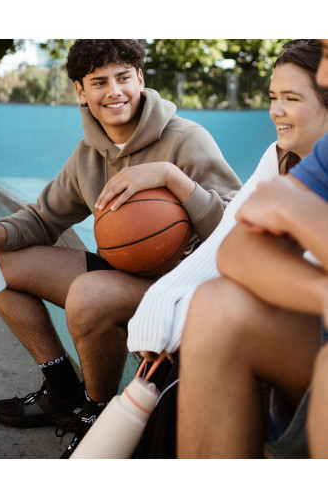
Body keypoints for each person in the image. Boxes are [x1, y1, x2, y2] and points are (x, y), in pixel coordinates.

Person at [0, 39, 241, 457]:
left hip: (183, 286)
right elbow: (44, 218)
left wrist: (174, 179)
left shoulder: (187, 140)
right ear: (81, 91)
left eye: (123, 78)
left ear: (141, 79)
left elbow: (235, 232)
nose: (114, 91)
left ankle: (94, 414)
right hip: (126, 273)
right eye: (99, 82)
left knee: (89, 292)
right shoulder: (88, 154)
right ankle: (62, 390)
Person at [127, 39, 328, 458]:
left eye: (291, 98)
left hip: (308, 338)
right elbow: (230, 244)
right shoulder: (289, 159)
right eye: (273, 97)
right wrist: (162, 304)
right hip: (305, 329)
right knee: (211, 304)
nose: (275, 110)